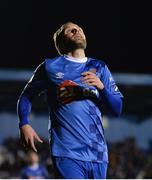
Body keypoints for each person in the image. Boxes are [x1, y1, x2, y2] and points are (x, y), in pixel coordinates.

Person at [17, 21, 123, 179]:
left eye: (80, 29)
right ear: (61, 42)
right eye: (70, 31)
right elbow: (26, 96)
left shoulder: (100, 67)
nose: (77, 31)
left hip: (98, 154)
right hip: (67, 152)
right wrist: (24, 123)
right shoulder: (50, 67)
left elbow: (117, 109)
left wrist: (102, 88)